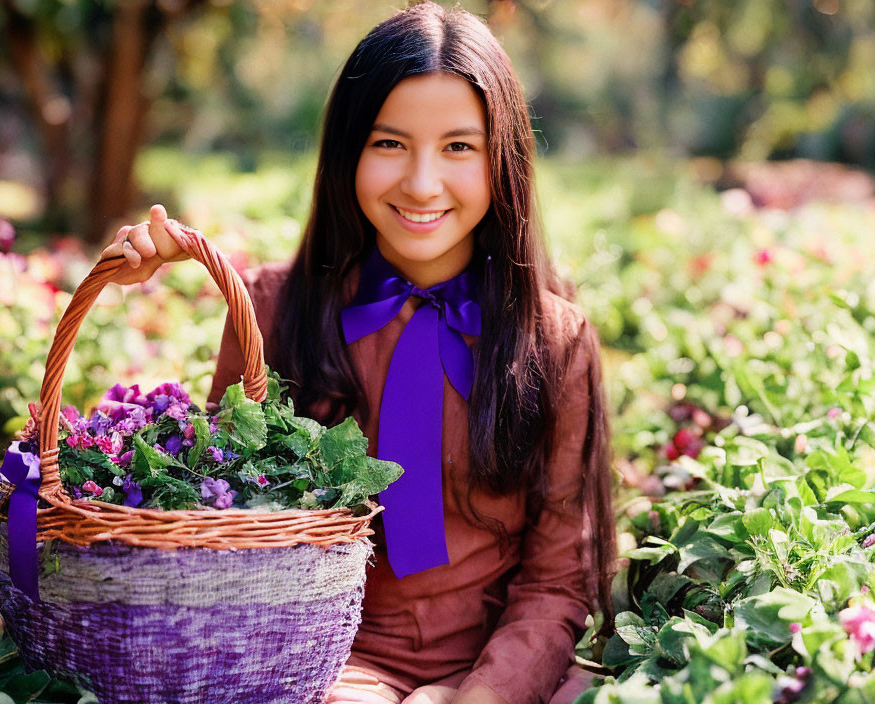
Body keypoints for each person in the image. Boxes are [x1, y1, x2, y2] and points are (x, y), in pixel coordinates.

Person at [102, 2, 615, 702]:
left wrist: (480, 694)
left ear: (503, 161)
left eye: (459, 147)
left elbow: (558, 577)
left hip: (495, 665)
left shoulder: (553, 341)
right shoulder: (275, 312)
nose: (422, 183)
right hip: (317, 659)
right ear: (348, 152)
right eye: (389, 144)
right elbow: (229, 525)